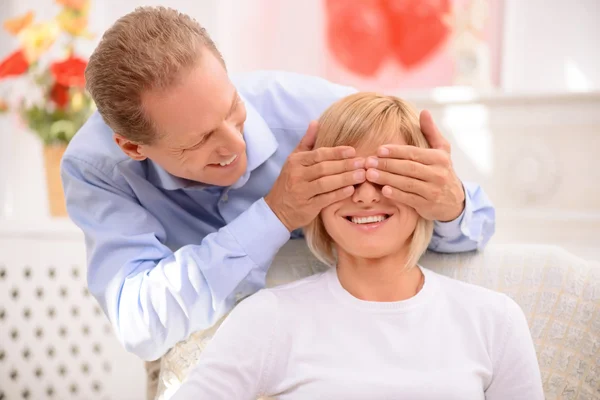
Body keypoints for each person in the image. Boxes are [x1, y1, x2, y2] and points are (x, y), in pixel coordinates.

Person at [61, 5, 495, 389]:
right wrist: (274, 215)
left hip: (342, 339)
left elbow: (473, 224)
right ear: (134, 148)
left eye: (232, 108)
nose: (235, 144)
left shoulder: (316, 113)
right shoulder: (97, 169)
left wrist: (450, 204)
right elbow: (142, 325)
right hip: (197, 351)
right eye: (201, 140)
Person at [171, 93, 542, 400]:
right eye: (345, 176)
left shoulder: (495, 320)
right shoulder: (267, 319)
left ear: (427, 186)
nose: (366, 196)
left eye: (387, 174)